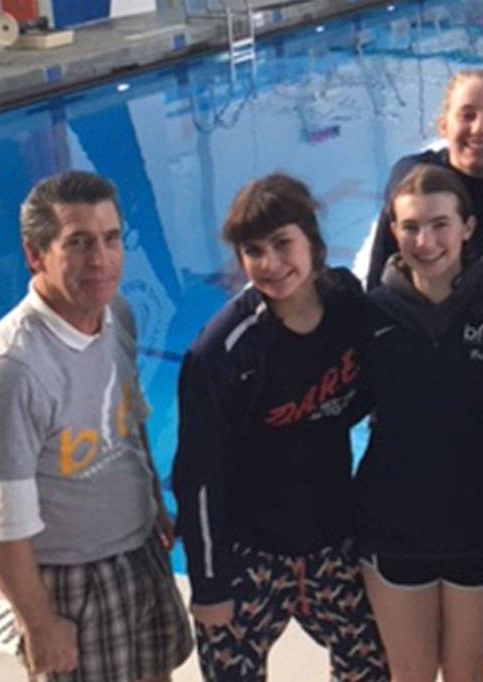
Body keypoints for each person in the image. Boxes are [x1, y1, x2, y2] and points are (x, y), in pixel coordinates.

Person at [0, 171, 193, 682]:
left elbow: (128, 417)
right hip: (72, 579)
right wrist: (38, 621)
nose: (101, 260)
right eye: (78, 243)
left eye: (110, 239)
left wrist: (153, 501)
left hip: (139, 550)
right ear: (35, 254)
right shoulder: (11, 372)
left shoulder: (116, 315)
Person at [172, 175, 388, 682]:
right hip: (249, 554)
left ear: (311, 241)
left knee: (374, 667)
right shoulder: (223, 351)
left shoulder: (348, 307)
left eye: (282, 243)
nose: (270, 263)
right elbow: (198, 474)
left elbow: (370, 394)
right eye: (253, 251)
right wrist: (208, 583)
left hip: (332, 544)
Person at [356, 164, 483, 682]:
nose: (426, 241)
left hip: (481, 526)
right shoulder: (371, 315)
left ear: (468, 227)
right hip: (393, 526)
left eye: (440, 225)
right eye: (411, 227)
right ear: (394, 231)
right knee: (410, 673)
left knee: (465, 673)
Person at [366, 68, 483, 289]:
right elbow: (378, 278)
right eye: (467, 115)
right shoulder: (415, 184)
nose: (479, 129)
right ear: (443, 125)